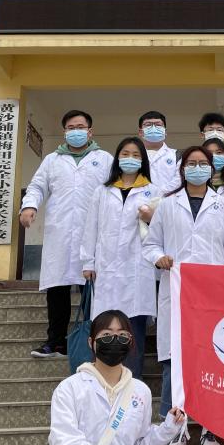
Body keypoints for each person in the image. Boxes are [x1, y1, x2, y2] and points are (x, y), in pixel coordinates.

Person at [142, 146, 224, 445]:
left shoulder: (223, 205)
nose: (197, 168)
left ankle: (211, 427)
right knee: (175, 359)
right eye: (191, 163)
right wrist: (160, 258)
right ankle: (176, 429)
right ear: (182, 169)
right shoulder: (167, 205)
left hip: (213, 296)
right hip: (176, 292)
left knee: (212, 357)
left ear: (212, 169)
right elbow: (150, 244)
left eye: (203, 163)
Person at [48, 309, 186, 445]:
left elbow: (136, 444)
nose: (114, 340)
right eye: (106, 335)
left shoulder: (140, 391)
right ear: (91, 342)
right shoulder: (70, 389)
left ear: (130, 343)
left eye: (122, 336)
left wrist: (169, 427)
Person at [21, 110, 113, 359]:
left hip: (93, 233)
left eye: (80, 127)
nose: (76, 131)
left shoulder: (104, 159)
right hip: (60, 233)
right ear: (64, 132)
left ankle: (96, 340)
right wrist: (29, 206)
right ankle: (56, 342)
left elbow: (115, 190)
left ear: (90, 131)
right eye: (71, 128)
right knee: (57, 289)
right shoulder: (52, 160)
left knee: (92, 289)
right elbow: (37, 186)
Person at [79, 138, 160, 380]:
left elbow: (161, 231)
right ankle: (102, 381)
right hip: (106, 268)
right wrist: (88, 262)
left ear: (143, 160)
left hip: (138, 270)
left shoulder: (153, 191)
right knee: (104, 327)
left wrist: (150, 218)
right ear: (117, 158)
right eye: (125, 153)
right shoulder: (102, 191)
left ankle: (132, 382)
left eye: (136, 155)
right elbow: (91, 228)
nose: (130, 159)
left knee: (132, 329)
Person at [137, 110, 179, 191]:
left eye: (158, 125)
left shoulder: (177, 155)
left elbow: (179, 180)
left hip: (169, 197)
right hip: (140, 198)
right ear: (140, 132)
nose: (153, 128)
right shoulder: (133, 156)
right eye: (148, 125)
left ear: (165, 131)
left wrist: (159, 194)